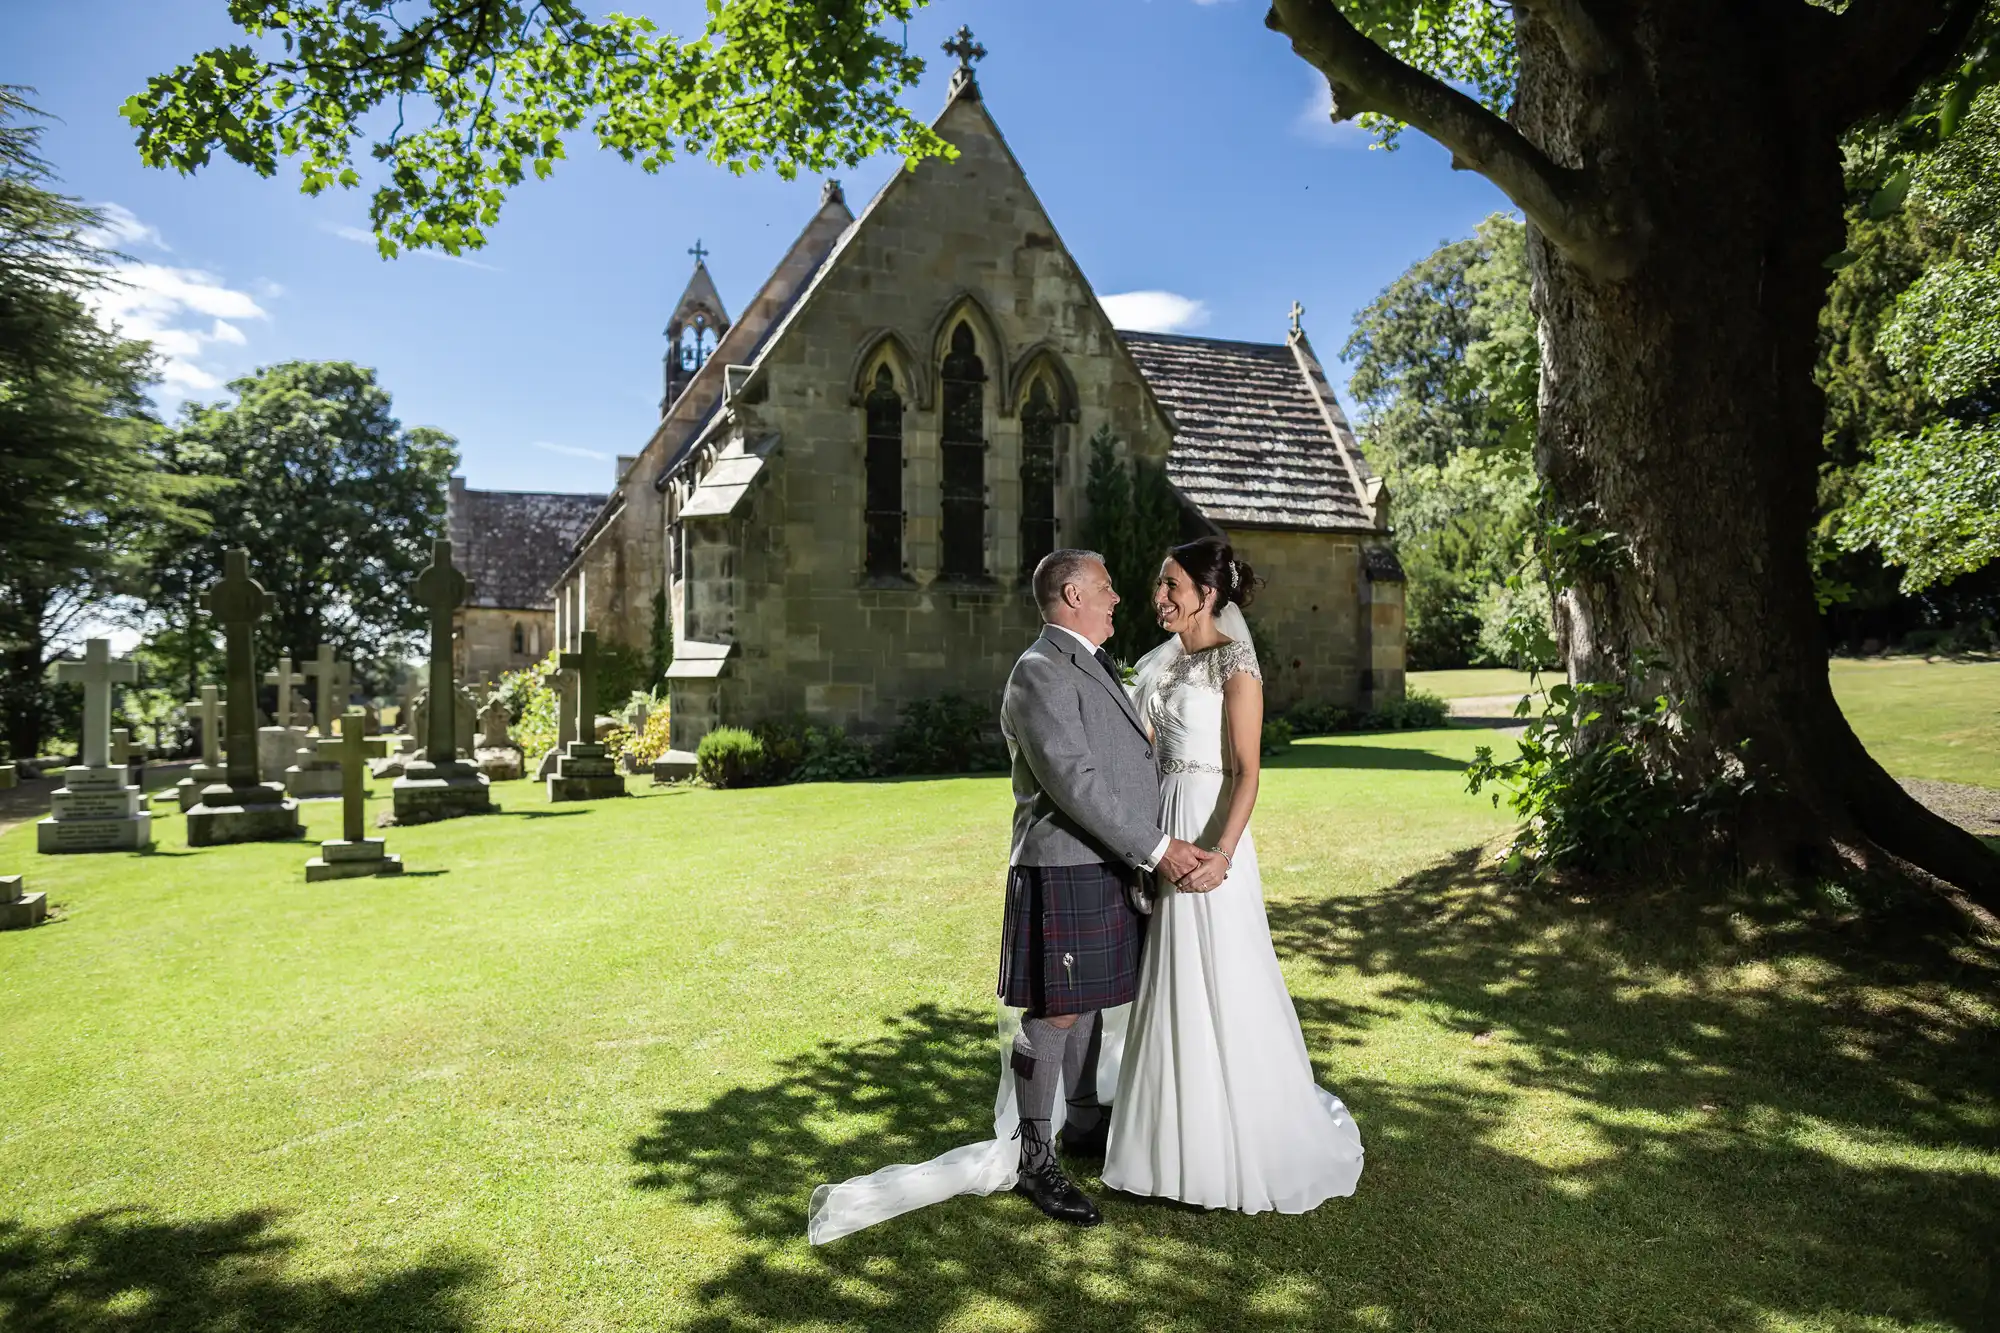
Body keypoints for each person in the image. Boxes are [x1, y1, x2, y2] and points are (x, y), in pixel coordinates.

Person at [806, 549, 1215, 1243]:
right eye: (1107, 588)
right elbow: (1074, 779)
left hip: (1104, 861)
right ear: (1070, 593)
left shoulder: (1085, 660)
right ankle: (1035, 1157)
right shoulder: (1039, 670)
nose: (1119, 598)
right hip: (1065, 866)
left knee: (1087, 999)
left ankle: (1084, 1121)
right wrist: (1157, 847)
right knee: (1054, 1012)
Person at [1102, 537, 1364, 1212]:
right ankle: (1161, 1143)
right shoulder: (1158, 664)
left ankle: (1230, 1140)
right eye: (1160, 584)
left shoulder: (1235, 665)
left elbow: (1248, 771)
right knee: (1162, 975)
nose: (1159, 596)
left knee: (1218, 972)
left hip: (1212, 828)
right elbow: (1139, 756)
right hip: (1161, 829)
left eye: (1170, 585)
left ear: (1206, 593)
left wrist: (1219, 853)